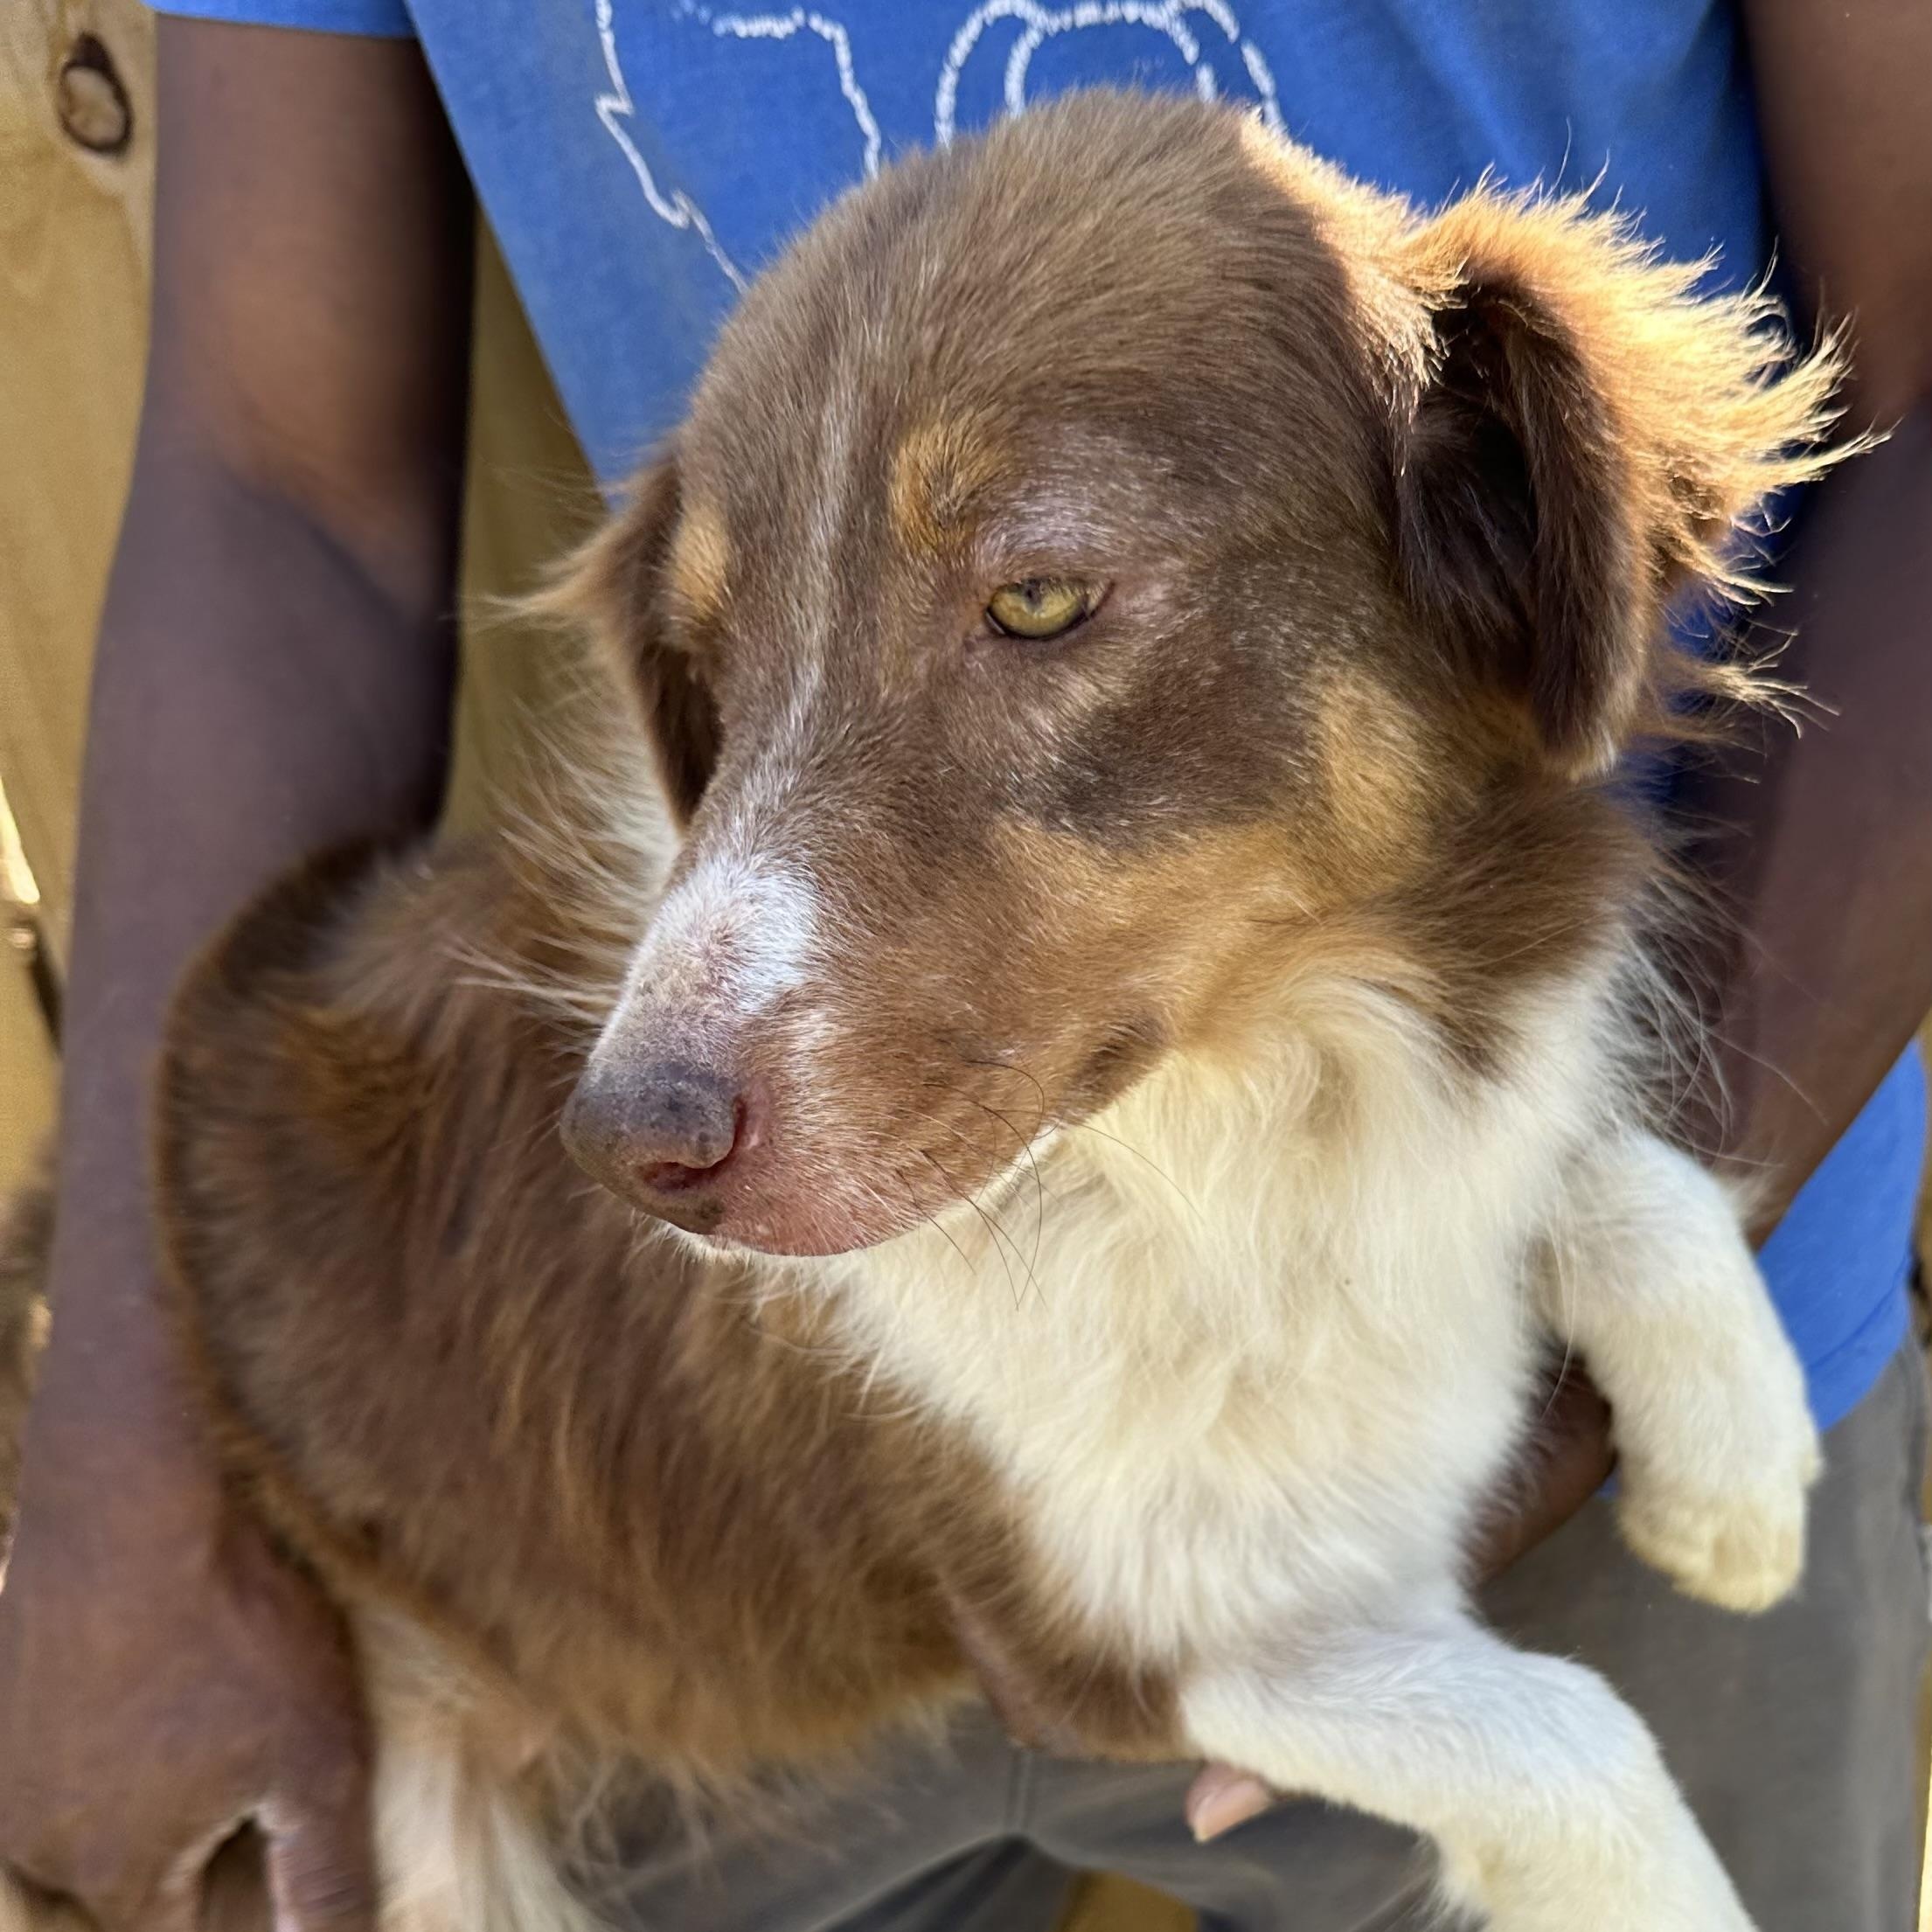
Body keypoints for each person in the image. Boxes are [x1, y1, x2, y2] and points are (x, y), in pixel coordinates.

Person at [0, 3, 1926, 1929]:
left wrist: (1646, 1208)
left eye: (1040, 600)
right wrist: (123, 1485)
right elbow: (278, 466)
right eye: (722, 669)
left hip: (1642, 1267)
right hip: (622, 1559)